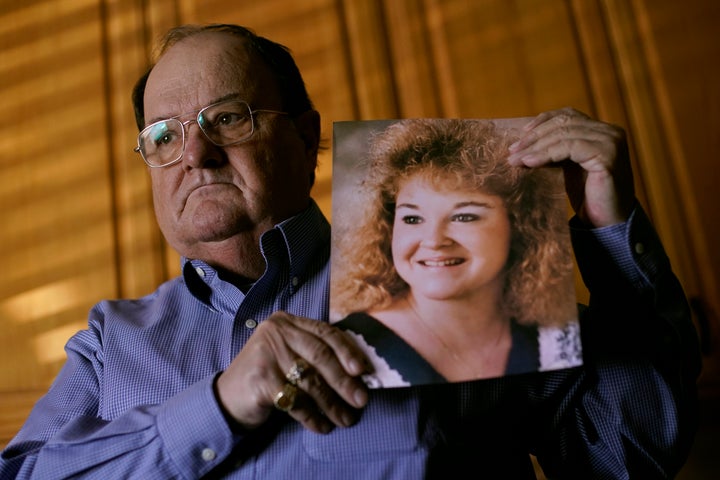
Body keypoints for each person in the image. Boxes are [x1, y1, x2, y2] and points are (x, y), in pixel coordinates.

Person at [0, 23, 700, 479]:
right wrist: (219, 402)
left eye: (229, 118)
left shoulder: (447, 268)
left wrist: (611, 237)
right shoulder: (108, 342)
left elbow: (628, 454)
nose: (196, 152)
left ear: (306, 139)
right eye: (163, 135)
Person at [331, 118, 582, 388]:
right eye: (413, 219)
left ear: (519, 223)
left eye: (464, 216)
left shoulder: (558, 337)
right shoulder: (346, 350)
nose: (434, 240)